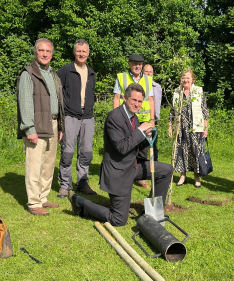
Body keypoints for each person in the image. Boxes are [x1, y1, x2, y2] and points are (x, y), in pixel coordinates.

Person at [69, 83, 173, 226]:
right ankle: (81, 203)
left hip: (132, 166)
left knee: (166, 170)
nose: (137, 104)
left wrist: (146, 137)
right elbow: (122, 147)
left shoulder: (133, 117)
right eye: (134, 100)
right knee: (118, 219)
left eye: (140, 101)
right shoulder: (114, 117)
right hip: (118, 172)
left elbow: (135, 145)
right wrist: (140, 131)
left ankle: (151, 212)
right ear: (125, 98)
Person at [17, 38, 65, 216]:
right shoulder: (28, 74)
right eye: (41, 51)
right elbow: (25, 103)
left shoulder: (53, 74)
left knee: (48, 164)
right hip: (36, 125)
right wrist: (29, 128)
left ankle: (43, 197)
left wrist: (60, 125)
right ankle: (33, 202)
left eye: (48, 51)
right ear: (35, 52)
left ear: (52, 54)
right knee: (34, 164)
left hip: (52, 123)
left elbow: (58, 102)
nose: (45, 54)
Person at [56, 39, 97, 198]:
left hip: (87, 117)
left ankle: (82, 183)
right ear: (74, 52)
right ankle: (65, 185)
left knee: (86, 152)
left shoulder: (91, 72)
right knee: (67, 152)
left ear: (88, 53)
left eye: (84, 51)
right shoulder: (65, 70)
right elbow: (58, 94)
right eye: (78, 51)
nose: (81, 54)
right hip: (70, 116)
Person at [113, 53, 155, 189]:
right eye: (134, 63)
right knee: (127, 146)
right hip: (126, 118)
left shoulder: (148, 80)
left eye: (140, 64)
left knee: (142, 149)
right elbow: (117, 97)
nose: (137, 66)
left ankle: (141, 178)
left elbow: (151, 100)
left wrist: (152, 120)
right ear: (129, 64)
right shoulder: (121, 77)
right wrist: (115, 116)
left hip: (143, 119)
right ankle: (124, 173)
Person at [168, 69, 209, 187]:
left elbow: (204, 110)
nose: (185, 80)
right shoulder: (177, 92)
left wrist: (205, 127)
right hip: (180, 128)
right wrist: (170, 126)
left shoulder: (198, 91)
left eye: (188, 78)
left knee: (196, 151)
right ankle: (182, 176)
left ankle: (197, 177)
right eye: (183, 78)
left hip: (195, 127)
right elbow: (172, 110)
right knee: (181, 151)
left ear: (192, 80)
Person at [143, 64, 162, 161]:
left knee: (154, 144)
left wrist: (155, 118)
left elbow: (158, 103)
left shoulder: (158, 87)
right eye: (146, 71)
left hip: (153, 120)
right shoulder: (140, 85)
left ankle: (155, 164)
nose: (148, 73)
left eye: (150, 72)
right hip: (142, 118)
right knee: (142, 145)